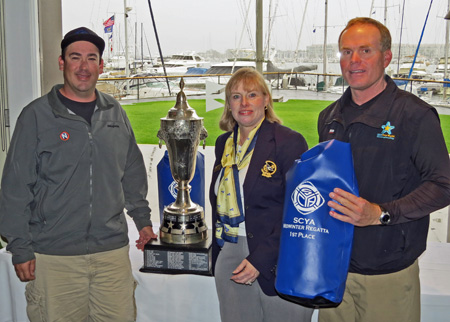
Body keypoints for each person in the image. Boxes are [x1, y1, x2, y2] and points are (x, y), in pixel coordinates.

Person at [0, 27, 157, 321]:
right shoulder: (36, 116)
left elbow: (132, 172)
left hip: (111, 255)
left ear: (100, 65)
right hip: (54, 258)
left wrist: (143, 221)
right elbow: (15, 187)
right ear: (62, 63)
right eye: (75, 58)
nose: (83, 67)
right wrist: (20, 247)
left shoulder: (115, 112)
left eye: (91, 58)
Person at [317, 17, 450, 322]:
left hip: (388, 275)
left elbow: (443, 185)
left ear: (386, 57)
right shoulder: (329, 117)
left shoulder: (415, 116)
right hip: (335, 269)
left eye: (365, 51)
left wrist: (380, 214)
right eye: (346, 52)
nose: (353, 61)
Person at [209, 67, 313, 322]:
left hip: (280, 258)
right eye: (236, 96)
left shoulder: (289, 142)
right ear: (228, 104)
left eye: (252, 94)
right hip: (231, 253)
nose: (244, 103)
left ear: (266, 100)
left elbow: (300, 212)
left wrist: (261, 259)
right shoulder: (224, 144)